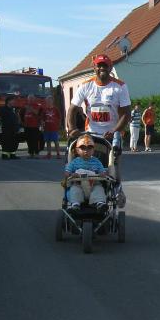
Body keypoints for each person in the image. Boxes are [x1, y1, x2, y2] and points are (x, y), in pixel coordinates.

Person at [65, 54, 131, 205]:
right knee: (86, 162)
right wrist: (72, 128)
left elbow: (126, 114)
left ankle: (117, 189)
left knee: (112, 165)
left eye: (105, 66)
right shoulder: (86, 86)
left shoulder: (119, 86)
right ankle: (83, 194)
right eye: (99, 65)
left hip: (112, 133)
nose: (102, 68)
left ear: (110, 68)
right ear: (94, 68)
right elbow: (72, 109)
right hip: (91, 134)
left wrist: (115, 130)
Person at [63, 134, 108, 211]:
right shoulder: (74, 162)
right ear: (77, 150)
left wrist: (102, 174)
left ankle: (100, 203)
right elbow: (67, 172)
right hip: (79, 184)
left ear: (93, 150)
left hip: (93, 184)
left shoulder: (97, 161)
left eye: (89, 148)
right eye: (83, 148)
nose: (86, 150)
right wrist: (71, 174)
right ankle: (75, 204)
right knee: (74, 189)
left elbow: (103, 172)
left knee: (99, 189)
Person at [0, 95, 21, 160]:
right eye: (12, 100)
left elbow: (15, 119)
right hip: (7, 129)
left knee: (14, 142)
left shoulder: (12, 109)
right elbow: (3, 119)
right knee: (7, 142)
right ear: (8, 101)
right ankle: (5, 155)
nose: (14, 102)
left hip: (14, 129)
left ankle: (12, 154)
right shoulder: (4, 109)